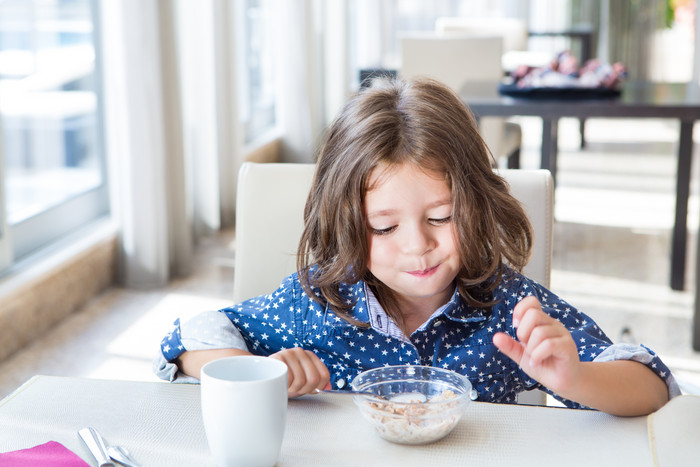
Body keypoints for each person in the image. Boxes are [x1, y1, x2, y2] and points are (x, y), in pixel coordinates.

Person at [155, 77, 678, 416]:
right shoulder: (316, 301)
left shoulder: (508, 308)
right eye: (383, 228)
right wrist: (262, 373)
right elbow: (191, 337)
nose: (419, 246)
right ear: (343, 223)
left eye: (442, 217)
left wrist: (575, 376)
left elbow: (649, 383)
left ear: (476, 205)